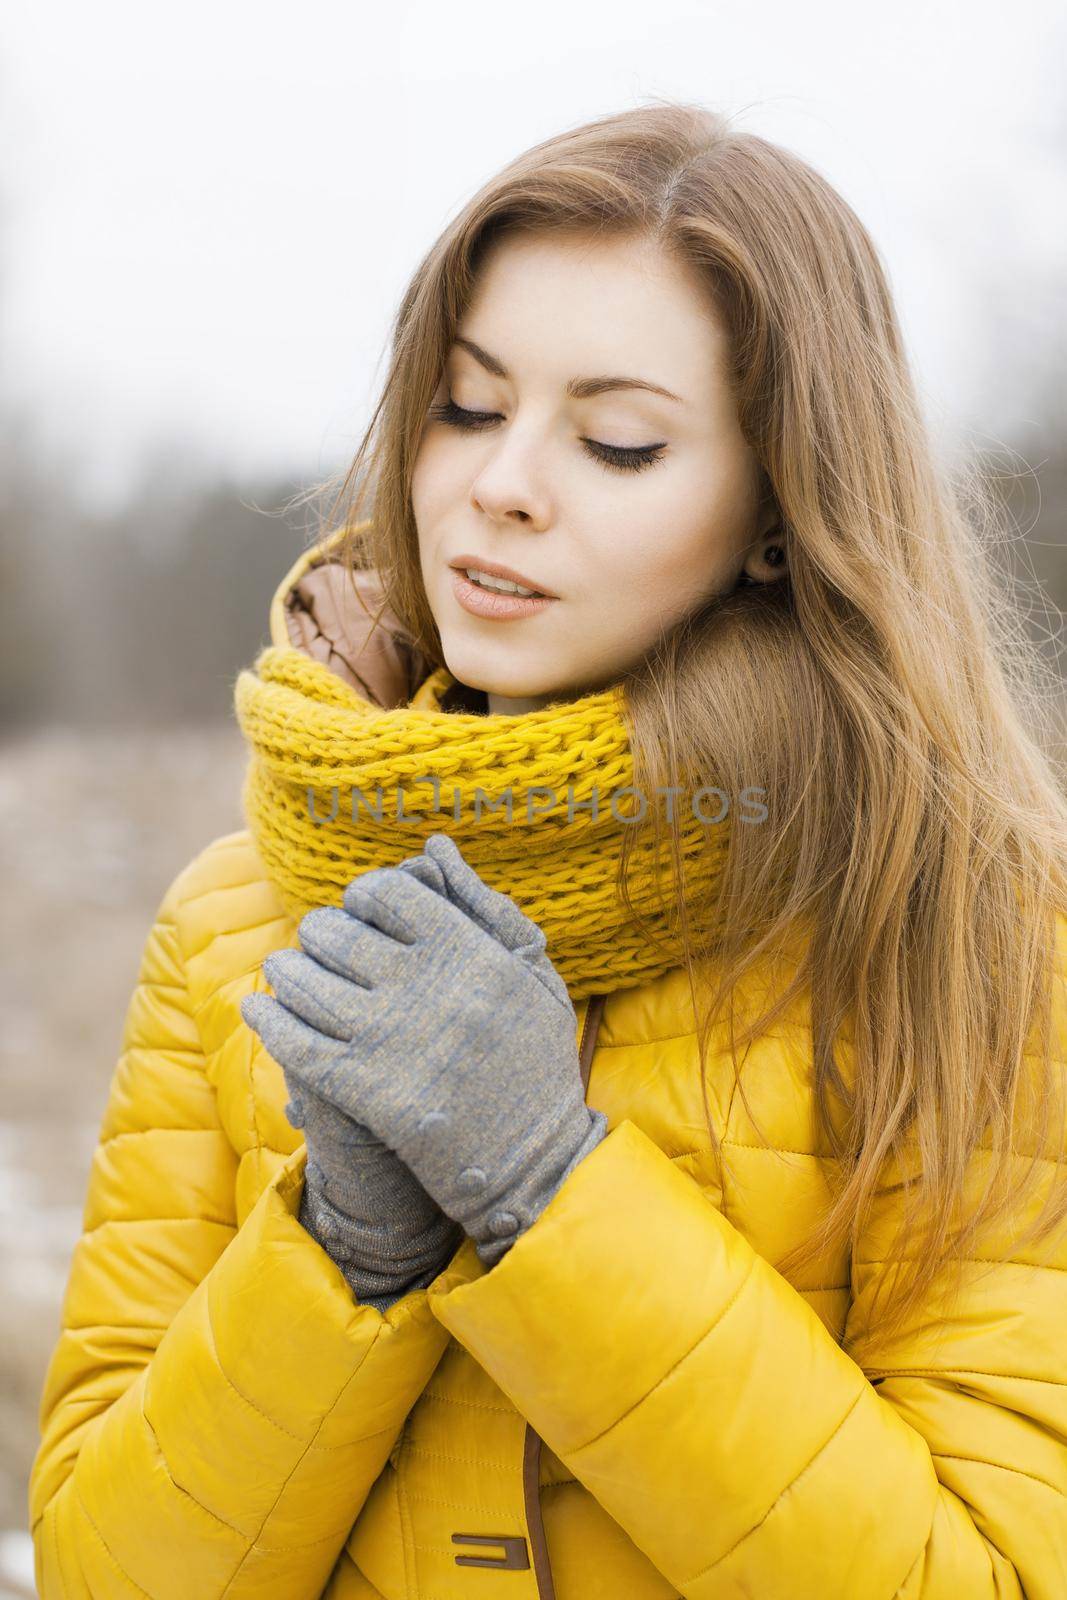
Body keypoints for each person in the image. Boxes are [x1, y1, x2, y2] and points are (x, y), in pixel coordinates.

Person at [28, 101, 1067, 1599]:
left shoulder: (974, 927)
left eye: (618, 441)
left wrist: (548, 1188)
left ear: (778, 508)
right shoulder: (236, 920)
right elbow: (107, 1576)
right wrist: (337, 1254)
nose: (501, 483)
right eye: (465, 404)